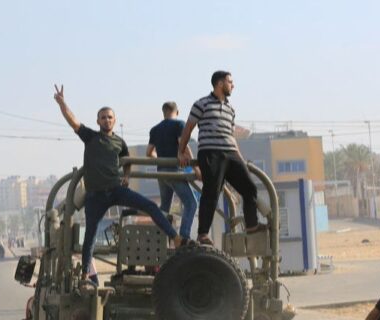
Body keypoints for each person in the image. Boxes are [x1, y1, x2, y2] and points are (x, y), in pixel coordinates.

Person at [53, 85, 183, 278]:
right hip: (95, 196)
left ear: (115, 121)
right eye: (103, 117)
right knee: (90, 235)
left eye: (110, 117)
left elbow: (128, 160)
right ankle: (87, 276)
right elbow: (73, 122)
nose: (107, 120)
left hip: (116, 190)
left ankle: (175, 237)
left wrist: (127, 176)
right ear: (98, 121)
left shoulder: (119, 142)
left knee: (150, 206)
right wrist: (62, 103)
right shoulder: (91, 137)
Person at [178, 70, 264, 246]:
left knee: (250, 188)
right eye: (230, 82)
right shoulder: (201, 104)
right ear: (219, 83)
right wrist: (181, 151)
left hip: (231, 153)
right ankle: (203, 234)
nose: (233, 85)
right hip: (211, 152)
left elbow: (231, 136)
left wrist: (240, 159)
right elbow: (188, 128)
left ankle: (252, 225)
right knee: (212, 191)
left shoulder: (231, 109)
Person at [147, 101, 199, 240]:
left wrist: (160, 159)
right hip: (175, 171)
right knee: (191, 203)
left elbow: (148, 153)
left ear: (163, 112)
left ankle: (159, 240)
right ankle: (184, 236)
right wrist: (195, 167)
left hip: (161, 172)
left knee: (165, 208)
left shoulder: (155, 129)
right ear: (177, 112)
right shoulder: (179, 124)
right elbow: (184, 146)